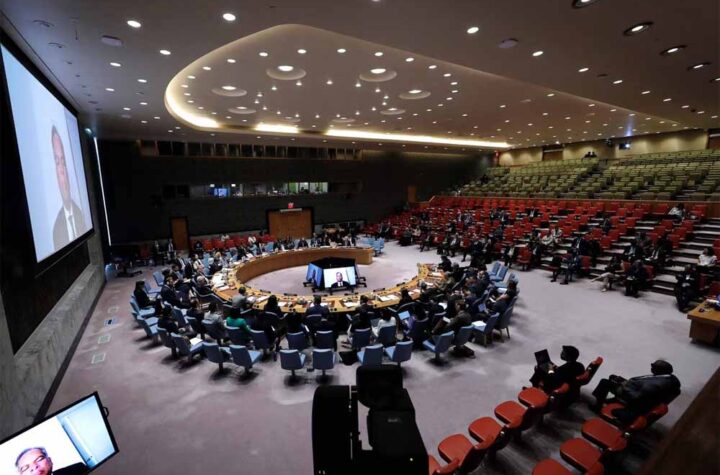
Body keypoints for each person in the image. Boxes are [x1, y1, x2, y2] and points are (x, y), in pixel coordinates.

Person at [590, 360, 681, 422]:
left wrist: (624, 386)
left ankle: (598, 406)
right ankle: (615, 399)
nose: (651, 368)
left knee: (604, 382)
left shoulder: (654, 385)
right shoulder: (669, 378)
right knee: (613, 377)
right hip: (637, 388)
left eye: (653, 367)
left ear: (660, 370)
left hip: (632, 397)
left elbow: (636, 397)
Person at [51, 127, 87, 251]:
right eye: (57, 163)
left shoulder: (81, 214)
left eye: (64, 162)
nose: (62, 172)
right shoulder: (56, 229)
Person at [15, 447, 88, 475]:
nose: (34, 467)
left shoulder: (78, 469)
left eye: (39, 459)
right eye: (25, 468)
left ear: (50, 461)